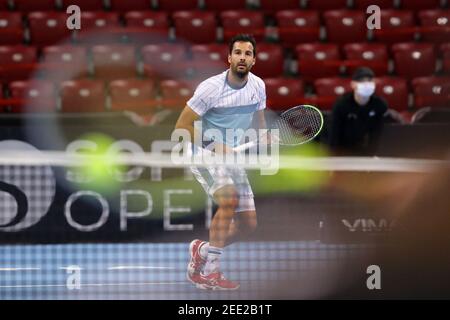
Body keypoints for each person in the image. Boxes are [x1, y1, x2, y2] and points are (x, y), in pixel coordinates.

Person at [174, 34, 267, 290]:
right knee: (229, 201)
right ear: (229, 58)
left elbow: (259, 127)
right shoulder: (210, 88)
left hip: (233, 158)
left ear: (253, 60)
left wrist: (264, 136)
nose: (242, 57)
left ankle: (202, 250)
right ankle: (212, 271)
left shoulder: (258, 86)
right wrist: (215, 145)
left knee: (249, 225)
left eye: (247, 54)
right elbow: (181, 127)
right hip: (205, 154)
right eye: (237, 52)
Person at [329, 67, 388, 155]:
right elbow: (334, 134)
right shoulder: (342, 105)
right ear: (353, 84)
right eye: (362, 81)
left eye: (369, 81)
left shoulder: (379, 105)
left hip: (369, 153)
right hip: (345, 152)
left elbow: (379, 133)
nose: (366, 84)